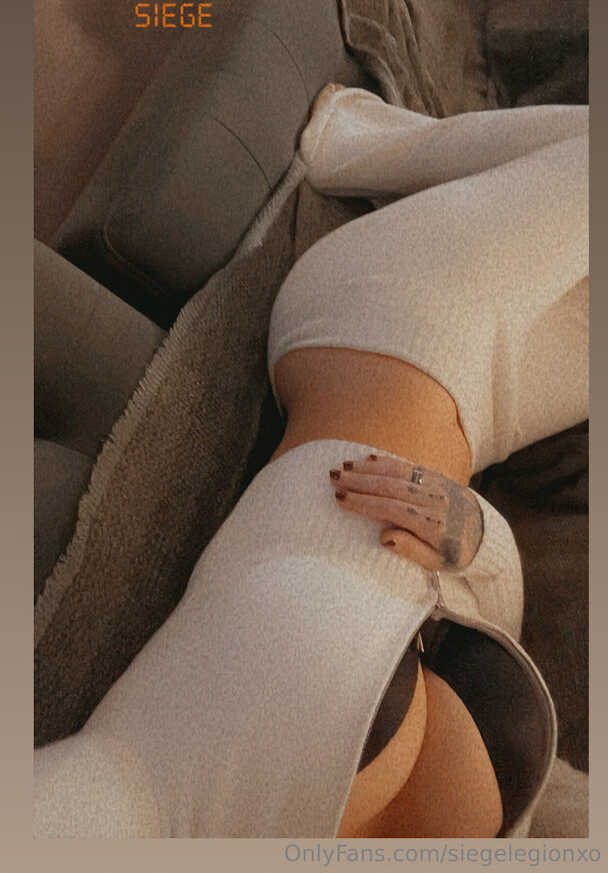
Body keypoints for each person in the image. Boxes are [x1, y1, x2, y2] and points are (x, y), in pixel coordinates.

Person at [34, 85, 588, 839]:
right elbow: (484, 619)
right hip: (414, 328)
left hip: (387, 346)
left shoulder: (142, 805)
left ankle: (361, 138)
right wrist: (480, 543)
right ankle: (355, 141)